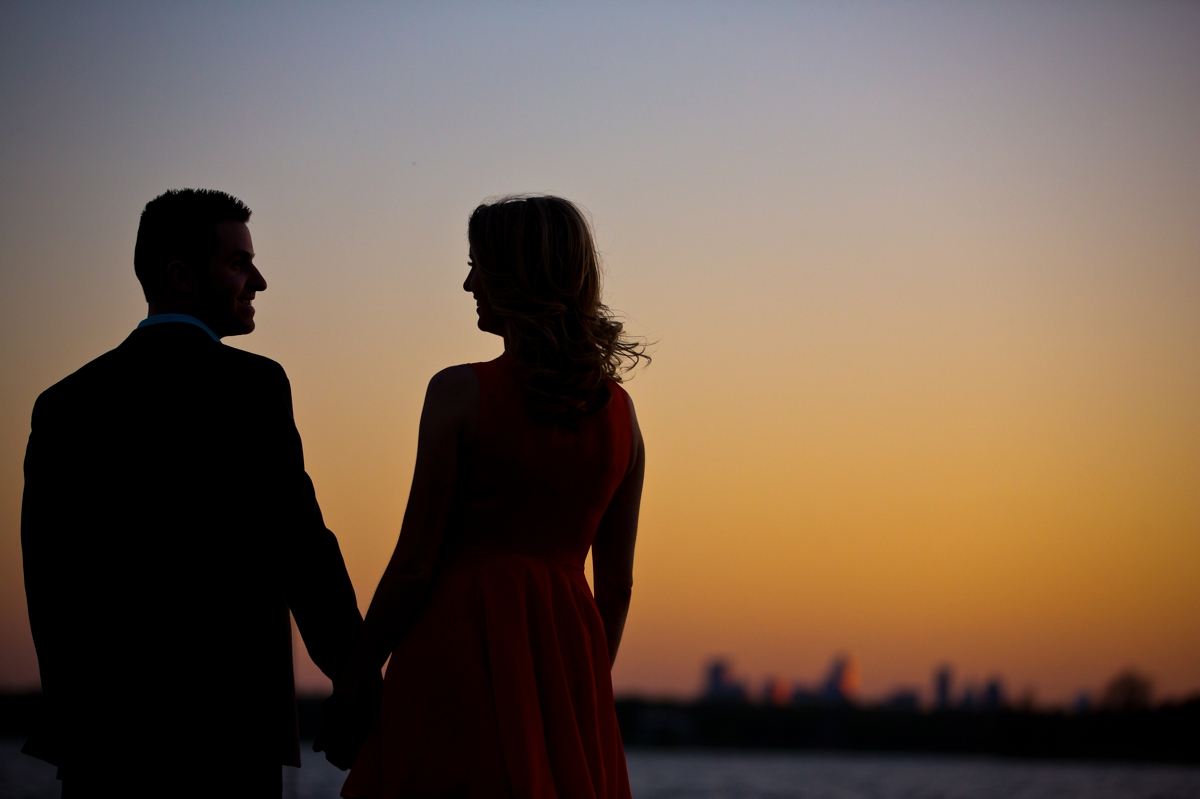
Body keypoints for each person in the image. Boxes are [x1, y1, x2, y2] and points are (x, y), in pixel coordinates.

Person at [21, 189, 373, 798]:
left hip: (103, 746)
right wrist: (359, 683)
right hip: (229, 738)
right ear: (181, 276)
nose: (258, 280)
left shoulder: (63, 404)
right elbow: (304, 550)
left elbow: (47, 579)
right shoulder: (253, 389)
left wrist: (79, 722)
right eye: (238, 263)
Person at [317, 196, 647, 798]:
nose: (468, 282)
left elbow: (414, 563)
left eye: (479, 266)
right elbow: (617, 588)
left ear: (518, 277)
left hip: (456, 650)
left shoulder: (459, 393)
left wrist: (354, 681)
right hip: (568, 658)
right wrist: (581, 691)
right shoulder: (622, 417)